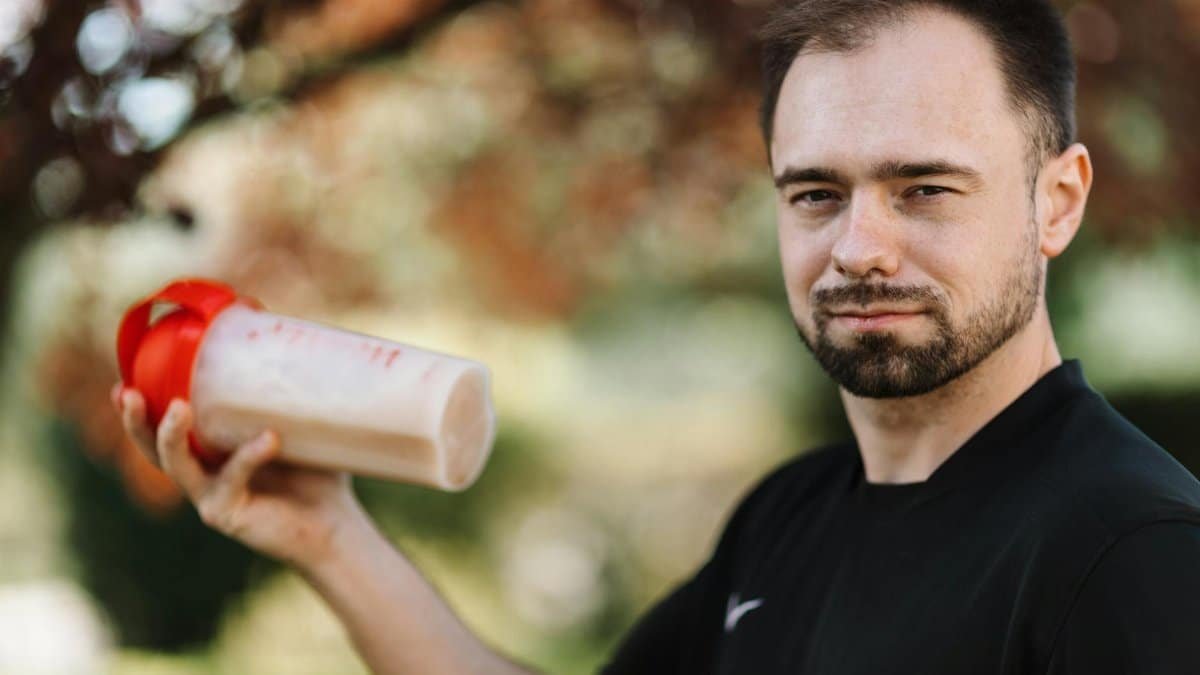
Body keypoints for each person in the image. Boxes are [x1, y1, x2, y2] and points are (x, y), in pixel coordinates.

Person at [114, 0, 1200, 673]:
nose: (859, 247)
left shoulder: (1127, 554)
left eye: (923, 189)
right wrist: (329, 537)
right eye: (816, 194)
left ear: (1057, 201)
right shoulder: (789, 522)